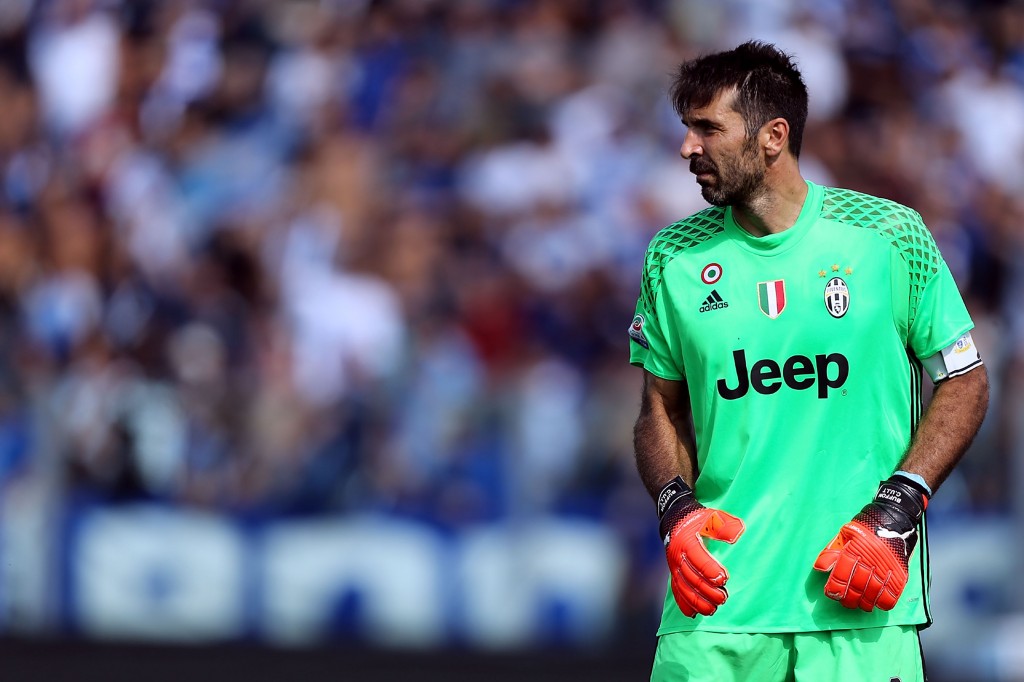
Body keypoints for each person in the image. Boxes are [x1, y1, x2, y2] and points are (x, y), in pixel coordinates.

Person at [628, 41, 989, 682]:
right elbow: (659, 408)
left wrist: (900, 507)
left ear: (773, 136)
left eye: (708, 128)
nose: (687, 148)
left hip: (859, 595)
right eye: (687, 128)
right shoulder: (671, 256)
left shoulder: (889, 236)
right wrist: (674, 507)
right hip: (717, 605)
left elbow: (965, 380)